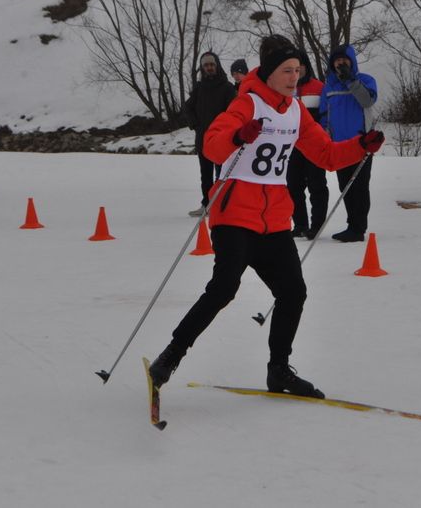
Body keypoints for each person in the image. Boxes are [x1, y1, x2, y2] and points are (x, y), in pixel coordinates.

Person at [147, 34, 385, 398]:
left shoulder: (295, 110)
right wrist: (239, 135)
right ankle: (170, 356)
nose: (294, 78)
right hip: (235, 215)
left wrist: (359, 146)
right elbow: (212, 145)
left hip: (273, 219)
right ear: (271, 73)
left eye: (298, 71)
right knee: (223, 289)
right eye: (288, 71)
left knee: (293, 292)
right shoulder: (247, 104)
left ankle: (279, 371)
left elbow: (327, 155)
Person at [319, 44, 378, 242]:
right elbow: (324, 114)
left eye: (344, 60)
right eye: (337, 61)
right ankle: (351, 225)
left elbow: (367, 101)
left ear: (351, 61)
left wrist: (351, 81)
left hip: (361, 143)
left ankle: (358, 227)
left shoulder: (365, 81)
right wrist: (325, 136)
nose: (340, 63)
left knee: (359, 187)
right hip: (339, 146)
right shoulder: (329, 86)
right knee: (345, 186)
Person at [184, 52, 237, 217]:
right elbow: (187, 108)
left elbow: (234, 111)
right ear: (202, 68)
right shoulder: (199, 88)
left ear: (217, 65)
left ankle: (220, 203)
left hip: (222, 139)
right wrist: (195, 125)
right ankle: (206, 203)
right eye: (206, 65)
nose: (209, 68)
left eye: (212, 64)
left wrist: (226, 129)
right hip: (203, 139)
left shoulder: (227, 87)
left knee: (222, 174)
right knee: (205, 175)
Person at [286, 49, 328, 239]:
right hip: (292, 147)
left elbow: (327, 115)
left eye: (300, 66)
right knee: (293, 186)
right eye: (293, 67)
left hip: (314, 145)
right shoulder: (286, 90)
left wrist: (323, 135)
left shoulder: (319, 87)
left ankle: (317, 226)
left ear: (306, 67)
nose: (298, 70)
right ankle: (300, 224)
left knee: (317, 185)